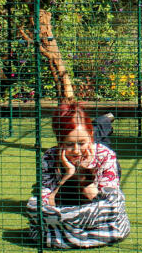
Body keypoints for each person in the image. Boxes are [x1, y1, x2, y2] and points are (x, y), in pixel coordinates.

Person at [26, 103, 130, 248]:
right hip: (76, 170)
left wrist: (84, 172)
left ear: (90, 137)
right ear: (59, 141)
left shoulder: (106, 155)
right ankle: (100, 123)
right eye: (69, 144)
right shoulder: (50, 157)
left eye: (81, 143)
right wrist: (70, 174)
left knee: (102, 138)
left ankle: (103, 122)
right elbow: (48, 203)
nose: (76, 151)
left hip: (98, 158)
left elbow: (106, 201)